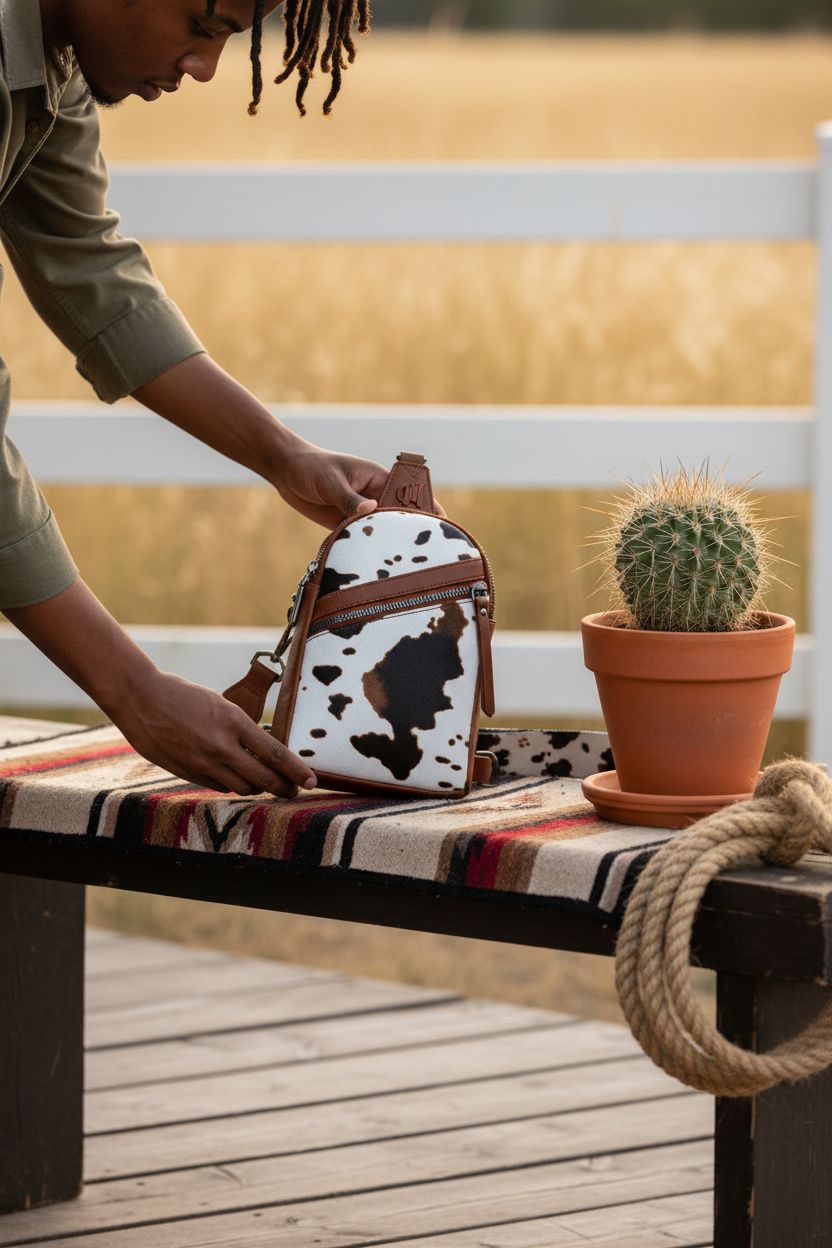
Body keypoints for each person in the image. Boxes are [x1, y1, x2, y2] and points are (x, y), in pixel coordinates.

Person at [0, 0, 378, 797]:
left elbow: (93, 273)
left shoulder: (48, 59)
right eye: (205, 26)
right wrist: (131, 687)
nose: (203, 68)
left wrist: (285, 457)